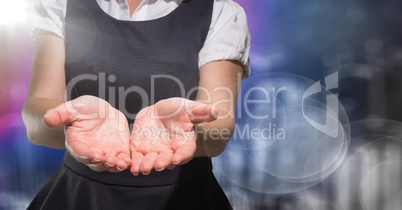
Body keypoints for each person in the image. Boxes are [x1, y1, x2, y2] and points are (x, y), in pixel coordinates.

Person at [23, 0, 250, 209]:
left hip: (183, 199)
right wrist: (72, 126)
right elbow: (37, 119)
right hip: (80, 197)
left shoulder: (220, 12)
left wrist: (186, 133)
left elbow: (219, 127)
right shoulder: (61, 4)